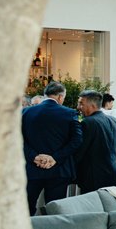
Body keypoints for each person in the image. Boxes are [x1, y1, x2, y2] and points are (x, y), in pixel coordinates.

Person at [22, 81, 83, 215]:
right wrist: (55, 158)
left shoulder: (25, 112)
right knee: (55, 208)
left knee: (26, 207)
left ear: (45, 95)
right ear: (61, 97)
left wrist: (34, 157)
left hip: (31, 168)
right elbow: (77, 140)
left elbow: (18, 139)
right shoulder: (69, 113)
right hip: (59, 169)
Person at [73, 90, 116, 193]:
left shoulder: (87, 122)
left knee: (91, 209)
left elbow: (80, 151)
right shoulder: (113, 120)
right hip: (113, 174)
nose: (78, 107)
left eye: (81, 103)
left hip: (93, 178)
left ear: (92, 106)